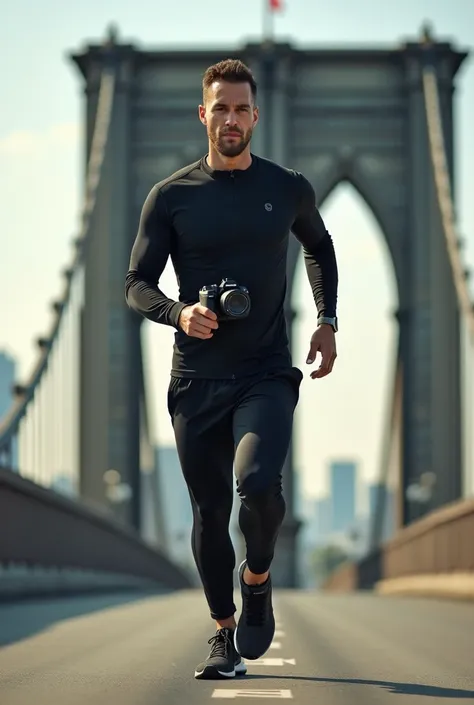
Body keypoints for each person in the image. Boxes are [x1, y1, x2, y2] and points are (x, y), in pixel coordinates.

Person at [125, 58, 338, 680]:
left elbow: (318, 246)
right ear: (203, 114)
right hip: (196, 378)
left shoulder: (288, 187)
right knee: (208, 512)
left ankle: (259, 578)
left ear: (256, 115)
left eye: (242, 108)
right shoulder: (171, 197)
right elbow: (135, 282)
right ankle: (223, 633)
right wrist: (177, 311)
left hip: (266, 372)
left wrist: (327, 319)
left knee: (258, 484)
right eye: (220, 108)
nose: (232, 119)